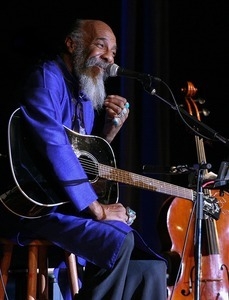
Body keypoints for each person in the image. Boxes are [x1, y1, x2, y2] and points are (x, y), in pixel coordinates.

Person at [0, 19, 167, 299]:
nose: (109, 57)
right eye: (101, 45)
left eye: (114, 52)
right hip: (35, 209)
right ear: (72, 44)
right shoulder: (46, 78)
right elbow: (55, 146)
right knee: (120, 240)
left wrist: (108, 134)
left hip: (67, 207)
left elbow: (81, 159)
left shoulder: (86, 94)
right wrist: (98, 210)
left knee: (151, 264)